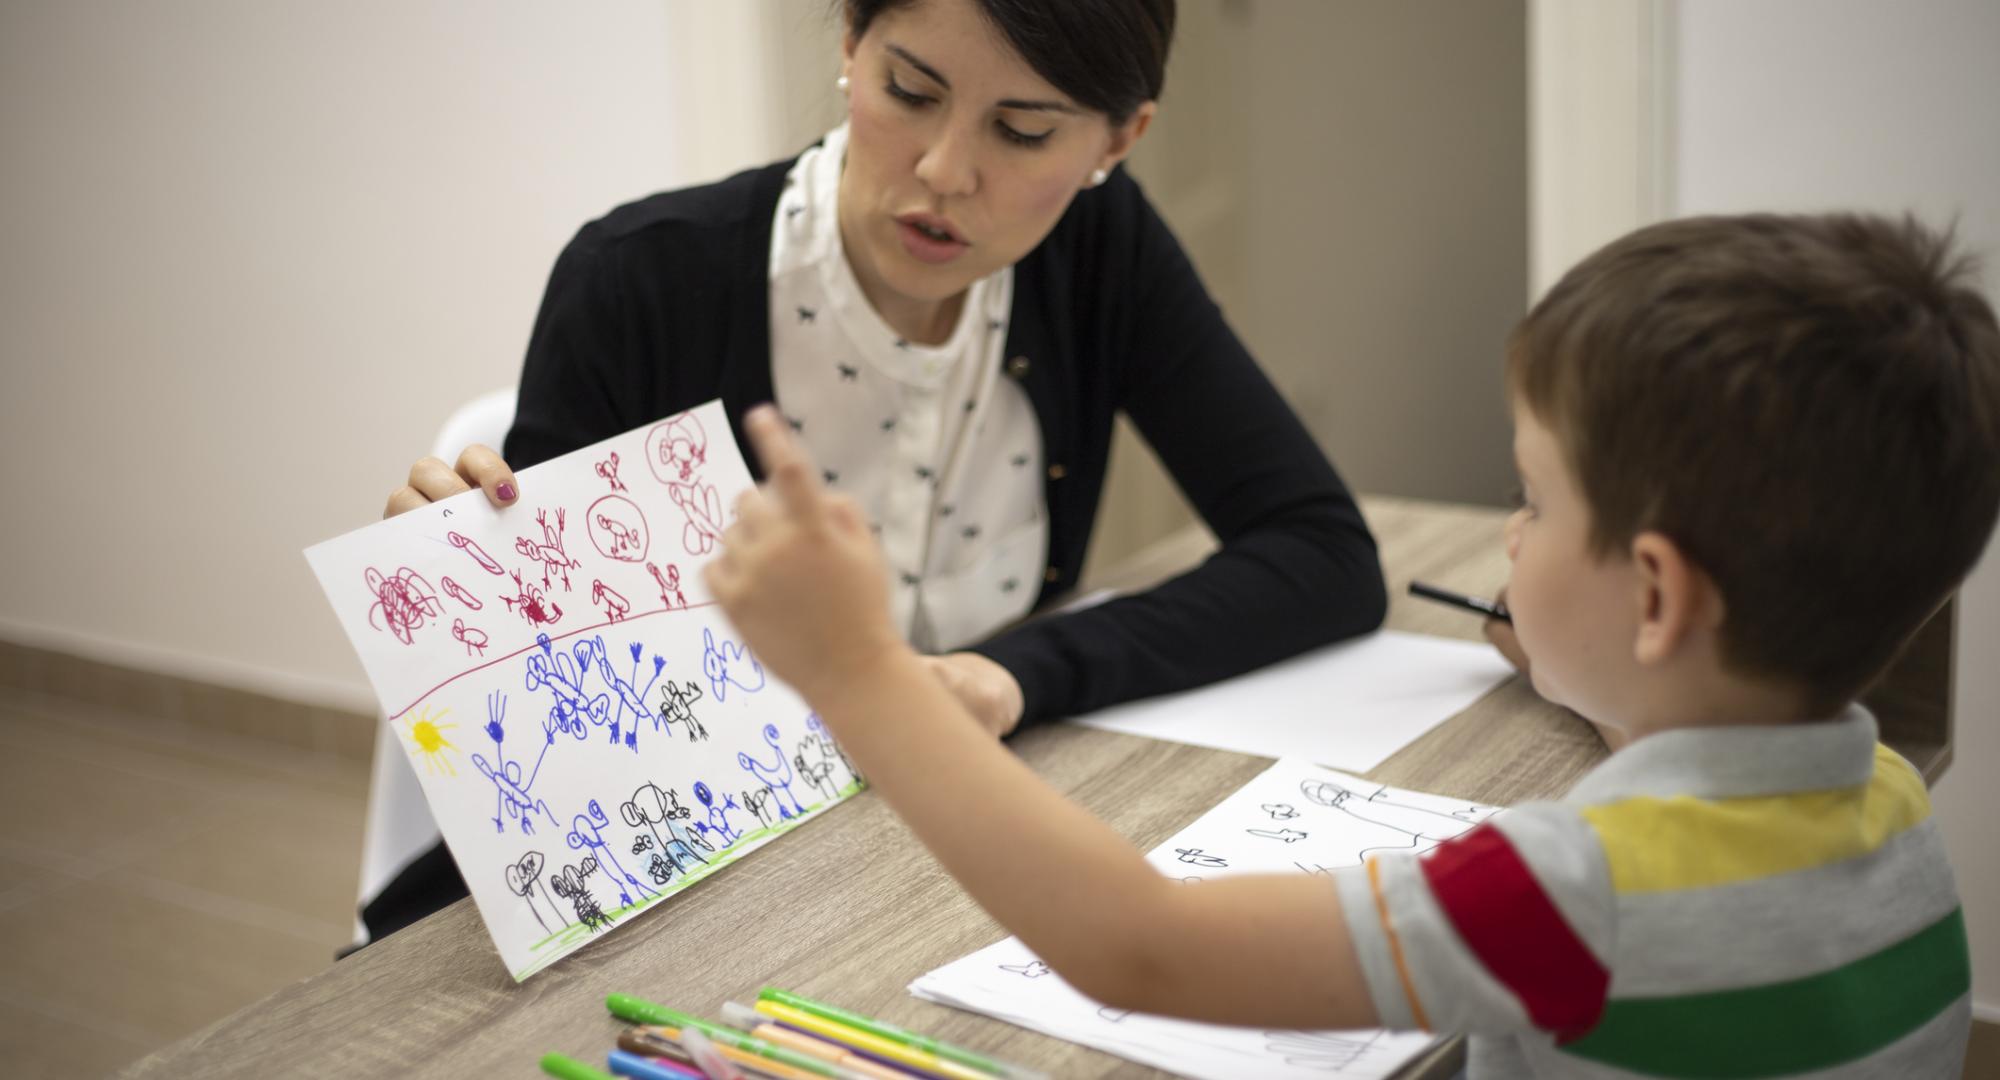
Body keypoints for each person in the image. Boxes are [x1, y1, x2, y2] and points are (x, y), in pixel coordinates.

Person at [708, 212, 1997, 1077]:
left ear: (1654, 602)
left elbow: (1135, 946)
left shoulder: (1571, 894)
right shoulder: (1884, 804)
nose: (1507, 534)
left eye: (1533, 502)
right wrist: (1588, 669)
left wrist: (859, 675)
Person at [363, 0, 1385, 941]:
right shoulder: (641, 278)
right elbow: (555, 755)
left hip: (933, 867)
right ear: (850, 43)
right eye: (908, 92)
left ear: (1115, 142)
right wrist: (477, 595)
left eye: (1022, 132)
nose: (944, 170)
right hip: (679, 887)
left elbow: (1320, 552)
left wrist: (1009, 678)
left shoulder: (1096, 251)